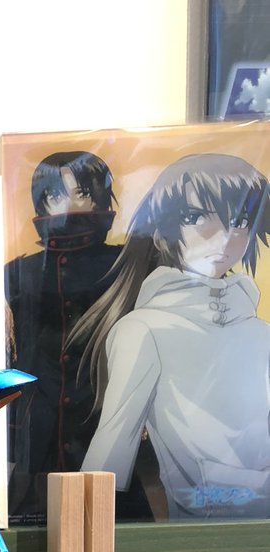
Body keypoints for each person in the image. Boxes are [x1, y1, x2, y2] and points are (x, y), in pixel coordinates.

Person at [78, 153, 270, 520]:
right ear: (163, 229)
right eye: (197, 217)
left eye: (241, 221)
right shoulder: (143, 331)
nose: (225, 235)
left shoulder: (261, 335)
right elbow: (104, 468)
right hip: (196, 538)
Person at [5, 151, 148, 523]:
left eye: (81, 193)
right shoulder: (18, 273)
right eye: (56, 195)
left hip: (106, 420)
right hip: (39, 435)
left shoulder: (129, 264)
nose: (68, 205)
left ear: (99, 198)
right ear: (41, 203)